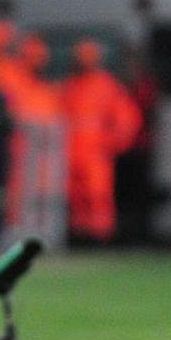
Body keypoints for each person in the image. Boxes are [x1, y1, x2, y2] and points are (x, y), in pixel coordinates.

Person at [61, 39, 141, 244]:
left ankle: (101, 237)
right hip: (71, 153)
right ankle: (78, 236)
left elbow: (128, 120)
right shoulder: (70, 86)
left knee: (97, 195)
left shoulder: (106, 86)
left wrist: (111, 144)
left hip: (96, 154)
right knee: (75, 197)